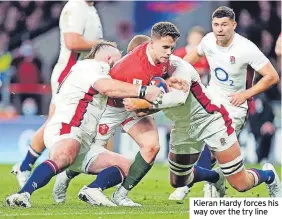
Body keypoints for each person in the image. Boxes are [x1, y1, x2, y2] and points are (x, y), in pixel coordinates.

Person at [6, 41, 164, 208]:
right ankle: (23, 194)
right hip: (67, 128)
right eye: (118, 60)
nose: (120, 65)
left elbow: (122, 98)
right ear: (109, 58)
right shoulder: (90, 66)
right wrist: (143, 91)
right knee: (65, 155)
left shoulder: (92, 71)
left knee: (126, 167)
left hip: (84, 140)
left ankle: (92, 189)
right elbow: (107, 88)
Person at [52, 22, 186, 207]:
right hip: (110, 108)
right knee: (90, 153)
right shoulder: (130, 66)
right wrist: (141, 99)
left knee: (152, 146)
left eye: (172, 47)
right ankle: (64, 177)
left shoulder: (165, 61)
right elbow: (110, 90)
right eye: (165, 47)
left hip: (134, 107)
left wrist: (171, 83)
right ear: (151, 44)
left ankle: (118, 194)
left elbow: (155, 90)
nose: (169, 52)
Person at [123, 53, 281, 200]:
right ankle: (215, 177)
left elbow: (176, 99)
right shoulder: (146, 77)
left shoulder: (180, 68)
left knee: (241, 183)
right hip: (184, 126)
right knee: (178, 181)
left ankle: (269, 175)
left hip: (210, 120)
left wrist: (140, 104)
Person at [168, 6, 280, 200]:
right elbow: (190, 58)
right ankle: (195, 184)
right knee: (200, 142)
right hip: (211, 99)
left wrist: (246, 94)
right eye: (216, 24)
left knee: (234, 177)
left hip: (234, 107)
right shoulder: (209, 40)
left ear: (234, 25)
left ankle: (269, 176)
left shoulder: (246, 48)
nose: (219, 29)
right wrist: (181, 76)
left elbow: (272, 76)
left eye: (224, 25)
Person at [12, 0, 104, 188]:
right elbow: (72, 42)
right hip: (69, 74)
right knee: (55, 122)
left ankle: (36, 167)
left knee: (80, 122)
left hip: (83, 74)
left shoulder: (90, 8)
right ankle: (27, 166)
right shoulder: (75, 6)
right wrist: (101, 46)